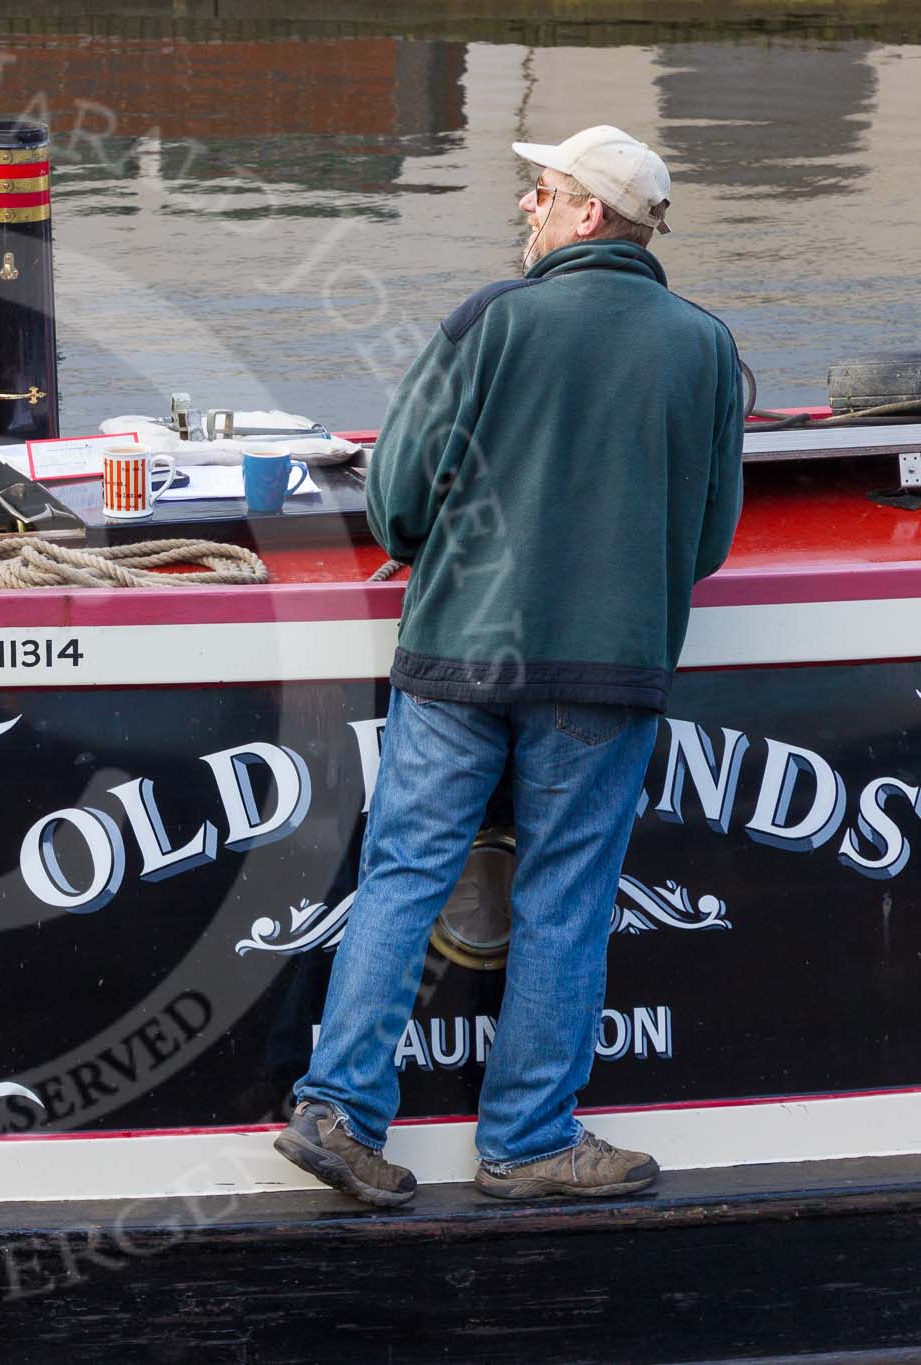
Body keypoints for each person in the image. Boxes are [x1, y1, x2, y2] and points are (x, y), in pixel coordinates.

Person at [275, 125, 744, 1203]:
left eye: (538, 194)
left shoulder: (488, 321)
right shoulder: (704, 345)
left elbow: (394, 506)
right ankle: (529, 1142)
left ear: (588, 216)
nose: (521, 212)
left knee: (401, 877)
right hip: (605, 670)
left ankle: (337, 1113)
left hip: (458, 653)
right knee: (564, 899)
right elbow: (708, 541)